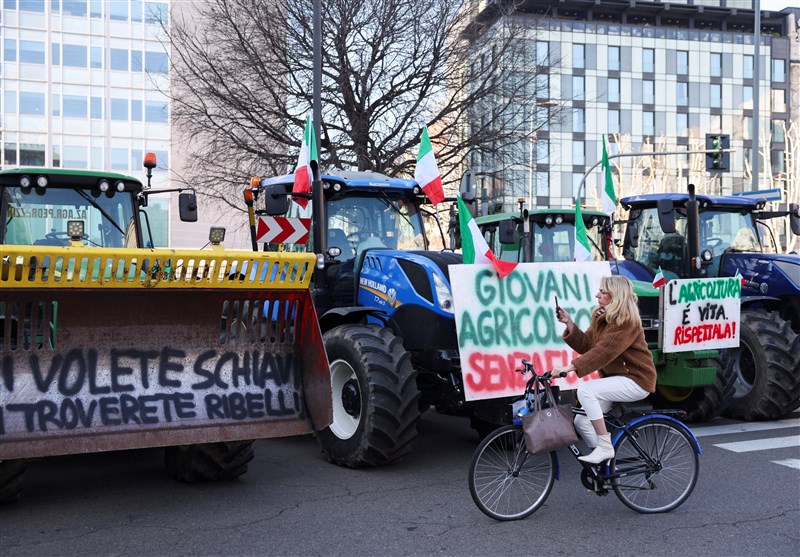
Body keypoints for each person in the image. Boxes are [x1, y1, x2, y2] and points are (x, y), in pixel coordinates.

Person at [552, 275, 657, 463]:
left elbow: (604, 352)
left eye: (602, 292)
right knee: (582, 421)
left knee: (586, 390)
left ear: (615, 295)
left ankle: (605, 447)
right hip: (617, 379)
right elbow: (587, 344)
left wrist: (570, 367)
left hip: (637, 379)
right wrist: (569, 323)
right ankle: (605, 465)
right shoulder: (601, 316)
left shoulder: (626, 322)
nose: (597, 295)